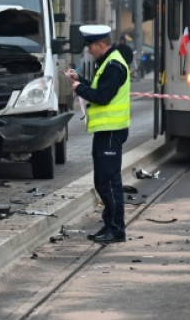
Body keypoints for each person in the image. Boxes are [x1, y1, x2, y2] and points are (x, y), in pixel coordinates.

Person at [66, 25, 133, 244]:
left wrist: (79, 88)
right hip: (106, 132)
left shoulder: (113, 65)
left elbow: (102, 96)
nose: (88, 50)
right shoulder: (107, 63)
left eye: (90, 46)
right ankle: (109, 225)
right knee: (103, 180)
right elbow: (98, 88)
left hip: (112, 132)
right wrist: (81, 81)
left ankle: (116, 229)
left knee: (109, 181)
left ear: (101, 45)